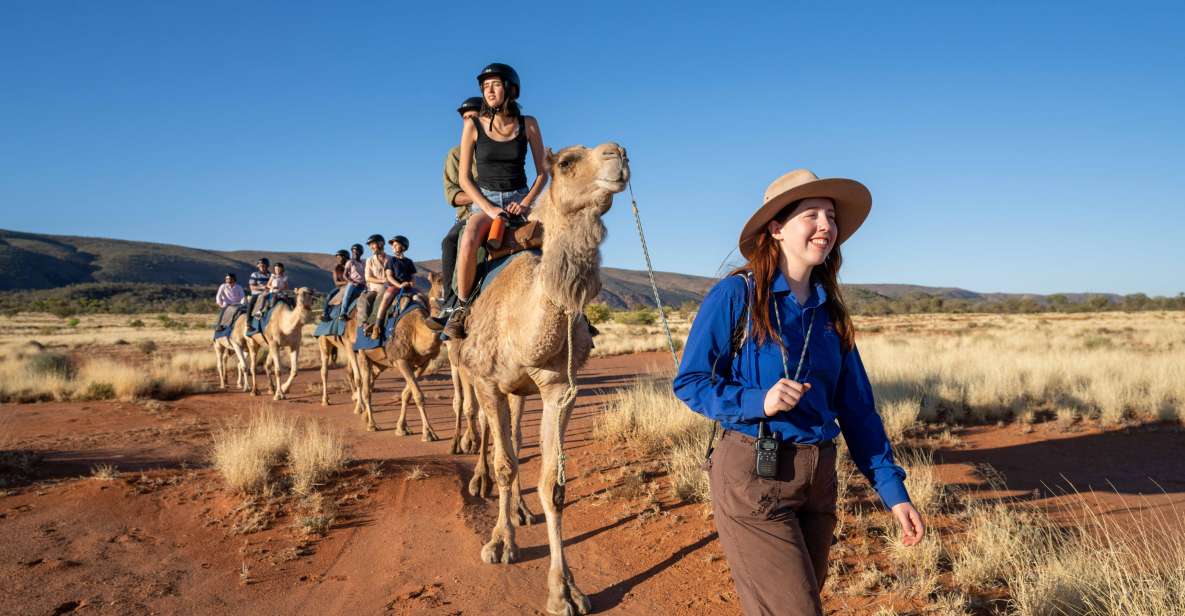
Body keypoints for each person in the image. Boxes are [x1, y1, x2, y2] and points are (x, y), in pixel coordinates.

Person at [672, 169, 925, 616]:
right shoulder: (736, 296)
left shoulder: (831, 311)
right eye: (812, 214)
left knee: (794, 603)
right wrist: (758, 401)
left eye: (830, 216)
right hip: (753, 476)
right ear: (776, 228)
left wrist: (892, 490)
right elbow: (691, 381)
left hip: (819, 480)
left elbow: (858, 409)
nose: (826, 226)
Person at [442, 63, 548, 340]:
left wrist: (525, 203)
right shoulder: (473, 126)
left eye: (495, 85)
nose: (489, 91)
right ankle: (461, 308)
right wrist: (489, 209)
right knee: (468, 239)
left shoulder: (529, 124)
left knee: (554, 238)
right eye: (485, 87)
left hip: (520, 197)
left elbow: (542, 173)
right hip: (486, 200)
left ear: (511, 89)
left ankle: (575, 310)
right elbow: (464, 179)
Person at [440, 95, 484, 307]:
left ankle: (574, 311)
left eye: (473, 117)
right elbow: (453, 194)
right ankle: (451, 305)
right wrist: (481, 198)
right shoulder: (456, 154)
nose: (469, 122)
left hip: (506, 208)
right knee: (449, 242)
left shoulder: (496, 147)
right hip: (470, 215)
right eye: (465, 118)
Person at [369, 235, 433, 337]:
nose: (393, 247)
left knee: (422, 298)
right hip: (395, 286)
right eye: (393, 246)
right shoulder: (391, 261)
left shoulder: (409, 262)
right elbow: (389, 276)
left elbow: (412, 276)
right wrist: (399, 284)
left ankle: (430, 320)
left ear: (403, 247)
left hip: (408, 287)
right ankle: (377, 325)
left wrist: (412, 282)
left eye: (396, 245)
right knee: (386, 298)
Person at [320, 250, 351, 322]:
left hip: (354, 285)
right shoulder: (337, 269)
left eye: (340, 257)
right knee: (330, 295)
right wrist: (347, 282)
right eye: (337, 257)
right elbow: (336, 283)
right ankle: (325, 313)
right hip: (341, 287)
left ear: (345, 257)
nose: (338, 259)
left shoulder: (351, 265)